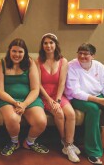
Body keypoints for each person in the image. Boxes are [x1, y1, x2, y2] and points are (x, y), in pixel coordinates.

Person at [0, 38, 49, 156]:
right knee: (13, 119)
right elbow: (0, 90)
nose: (17, 55)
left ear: (25, 53)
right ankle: (14, 142)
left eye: (20, 52)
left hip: (29, 99)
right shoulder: (0, 63)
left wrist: (24, 104)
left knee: (41, 121)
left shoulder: (30, 63)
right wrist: (15, 103)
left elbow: (35, 89)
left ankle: (29, 142)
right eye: (14, 51)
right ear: (9, 51)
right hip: (8, 100)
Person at [35, 33, 80, 163]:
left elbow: (61, 83)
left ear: (56, 45)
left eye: (51, 43)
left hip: (59, 95)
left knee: (71, 113)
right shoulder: (38, 61)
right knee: (59, 113)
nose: (48, 46)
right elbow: (37, 83)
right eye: (45, 43)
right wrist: (50, 100)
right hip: (44, 95)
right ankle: (65, 143)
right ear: (42, 46)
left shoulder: (63, 61)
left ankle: (69, 144)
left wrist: (58, 100)